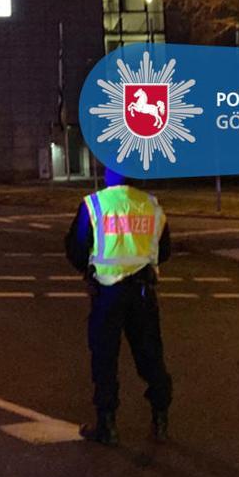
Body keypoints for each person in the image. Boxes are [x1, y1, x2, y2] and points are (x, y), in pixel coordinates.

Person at [64, 167, 173, 446]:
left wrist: (90, 268)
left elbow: (76, 248)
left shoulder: (95, 205)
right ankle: (160, 418)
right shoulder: (151, 205)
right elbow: (166, 250)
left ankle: (107, 424)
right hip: (143, 293)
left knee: (105, 359)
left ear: (108, 174)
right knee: (150, 356)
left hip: (107, 293)